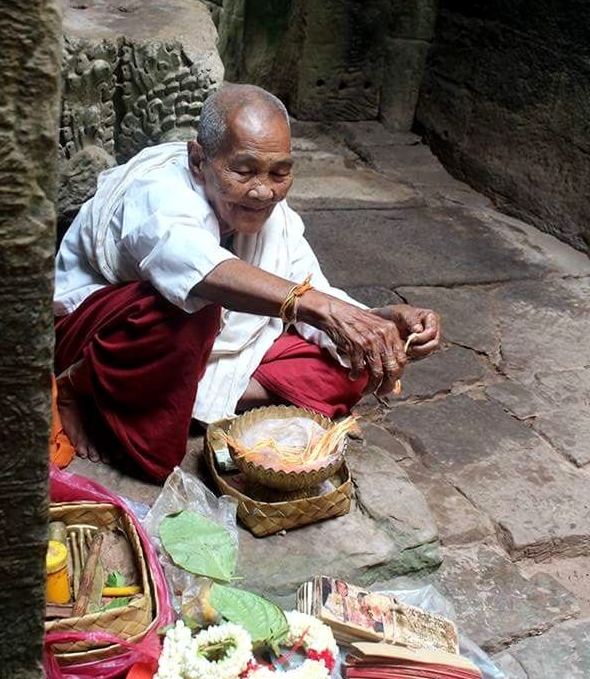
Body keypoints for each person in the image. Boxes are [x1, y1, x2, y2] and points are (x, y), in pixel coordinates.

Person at [54, 84, 440, 481]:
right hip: (104, 333)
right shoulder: (157, 191)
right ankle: (78, 385)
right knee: (191, 310)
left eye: (280, 173)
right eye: (244, 171)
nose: (263, 191)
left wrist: (377, 323)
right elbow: (198, 269)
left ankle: (174, 395)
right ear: (197, 159)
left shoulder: (275, 213)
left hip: (197, 357)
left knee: (356, 363)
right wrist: (321, 308)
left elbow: (312, 290)